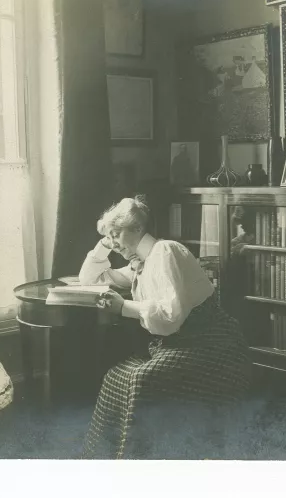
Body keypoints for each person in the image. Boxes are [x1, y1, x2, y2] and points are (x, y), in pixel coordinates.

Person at [78, 196, 250, 459]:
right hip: (176, 342)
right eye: (111, 238)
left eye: (118, 234)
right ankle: (102, 458)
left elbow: (170, 317)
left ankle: (141, 460)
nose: (114, 244)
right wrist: (105, 242)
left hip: (211, 342)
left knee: (141, 379)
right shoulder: (139, 263)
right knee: (114, 375)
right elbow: (89, 279)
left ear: (137, 228)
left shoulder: (166, 252)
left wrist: (123, 306)